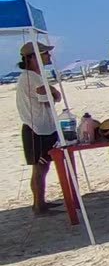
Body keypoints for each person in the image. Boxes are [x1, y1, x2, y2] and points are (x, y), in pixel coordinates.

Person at [16, 42, 63, 215]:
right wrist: (52, 91)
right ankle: (38, 205)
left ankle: (41, 202)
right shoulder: (31, 77)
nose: (48, 57)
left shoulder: (36, 76)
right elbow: (51, 96)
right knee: (39, 167)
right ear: (32, 58)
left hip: (44, 128)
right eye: (44, 54)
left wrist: (52, 92)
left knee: (43, 167)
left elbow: (55, 97)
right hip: (36, 129)